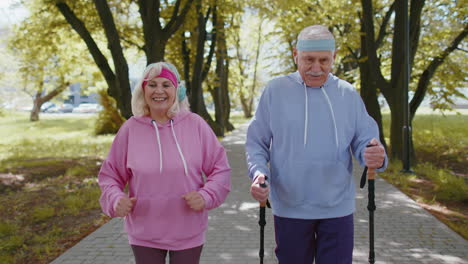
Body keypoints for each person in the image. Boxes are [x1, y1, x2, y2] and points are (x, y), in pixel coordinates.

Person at [246, 25, 388, 263]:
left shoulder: (347, 94)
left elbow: (365, 138)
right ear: (295, 55)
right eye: (308, 59)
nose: (315, 68)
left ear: (334, 56)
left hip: (337, 207)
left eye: (324, 60)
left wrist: (374, 154)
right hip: (290, 205)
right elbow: (256, 143)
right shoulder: (275, 91)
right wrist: (258, 172)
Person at [98, 62, 231, 264]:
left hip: (188, 230)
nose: (159, 90)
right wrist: (115, 199)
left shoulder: (195, 125)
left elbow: (220, 169)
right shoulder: (130, 129)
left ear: (177, 90)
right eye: (152, 84)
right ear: (143, 90)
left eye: (166, 84)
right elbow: (110, 176)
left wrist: (206, 195)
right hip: (144, 232)